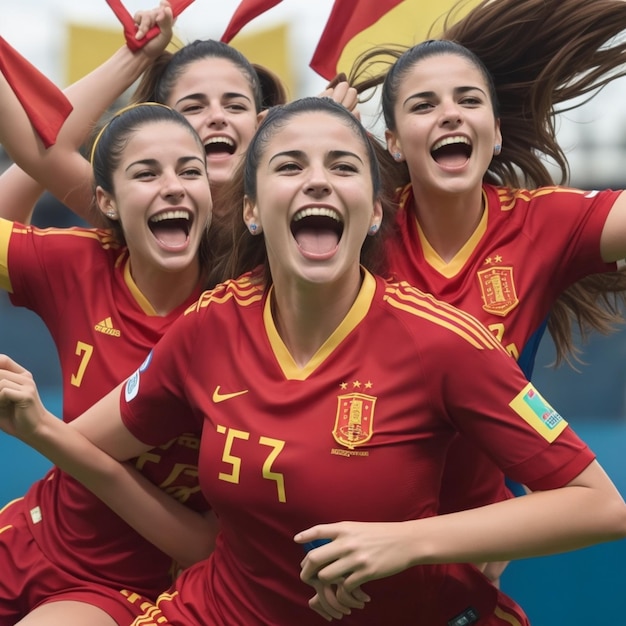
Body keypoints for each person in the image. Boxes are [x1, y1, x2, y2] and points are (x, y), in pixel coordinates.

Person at [1, 97, 625, 626]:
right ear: (249, 208)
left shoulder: (446, 341)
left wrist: (404, 545)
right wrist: (33, 423)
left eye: (343, 165)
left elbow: (599, 505)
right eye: (290, 164)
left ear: (376, 209)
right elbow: (92, 446)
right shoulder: (208, 325)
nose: (318, 180)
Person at [347, 0, 626, 582]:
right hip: (344, 541)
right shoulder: (356, 225)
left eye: (468, 101)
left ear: (495, 132)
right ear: (393, 142)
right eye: (424, 105)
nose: (450, 115)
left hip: (466, 551)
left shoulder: (544, 223)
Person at [0, 99, 224, 624]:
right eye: (146, 173)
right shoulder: (81, 260)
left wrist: (42, 430)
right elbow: (36, 148)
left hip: (121, 590)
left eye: (191, 171)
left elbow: (203, 547)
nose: (172, 186)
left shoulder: (241, 314)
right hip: (25, 537)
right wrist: (128, 60)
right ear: (106, 200)